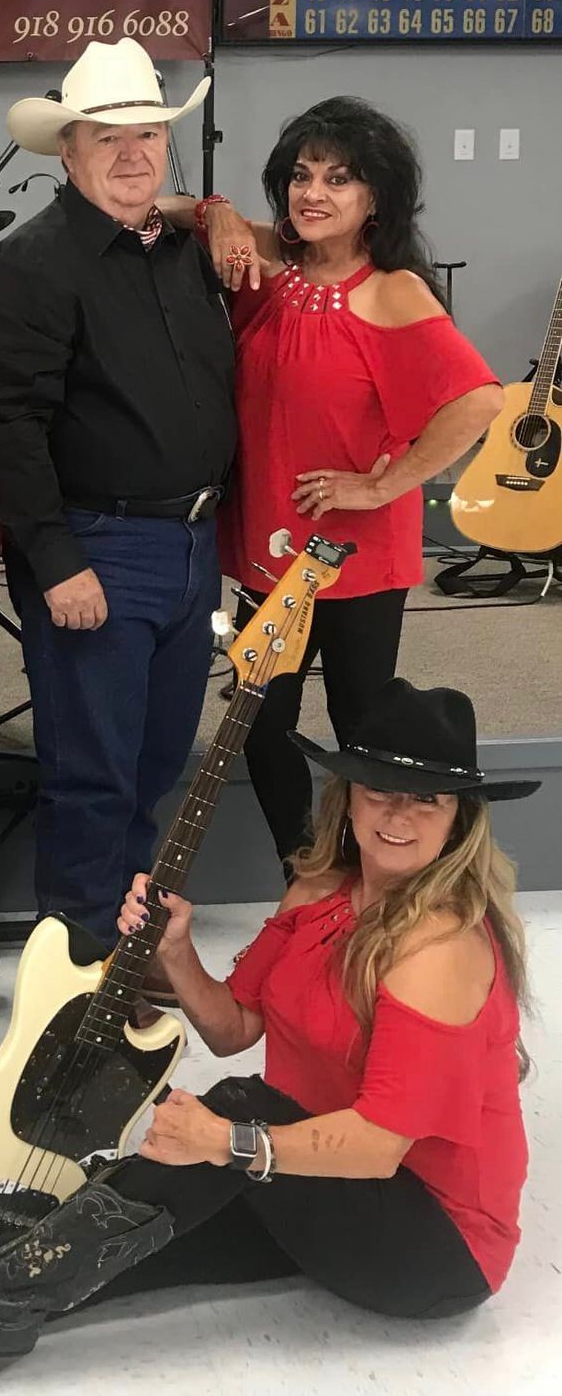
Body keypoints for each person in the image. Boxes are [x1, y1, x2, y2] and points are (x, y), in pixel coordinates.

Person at [0, 678, 536, 1381]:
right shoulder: (319, 892)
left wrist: (227, 1142)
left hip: (428, 1241)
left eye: (426, 800)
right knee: (107, 1235)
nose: (398, 815)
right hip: (309, 1175)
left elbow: (380, 1147)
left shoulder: (439, 947)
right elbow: (234, 1025)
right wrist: (176, 950)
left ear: (460, 819)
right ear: (347, 796)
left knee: (228, 1117)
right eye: (380, 790)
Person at [161, 97, 503, 870]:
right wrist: (218, 212)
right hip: (269, 540)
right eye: (301, 175)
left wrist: (384, 487)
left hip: (356, 552)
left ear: (375, 196)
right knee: (261, 721)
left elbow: (481, 400)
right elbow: (160, 206)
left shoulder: (392, 290)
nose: (312, 193)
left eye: (339, 179)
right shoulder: (270, 260)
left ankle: (369, 877)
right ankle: (302, 873)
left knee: (362, 726)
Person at [0, 37, 234, 943]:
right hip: (98, 547)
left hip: (192, 544)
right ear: (68, 150)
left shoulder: (184, 251)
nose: (133, 153)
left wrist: (216, 214)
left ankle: (124, 943)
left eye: (149, 133)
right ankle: (79, 966)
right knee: (93, 775)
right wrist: (55, 560)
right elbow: (9, 424)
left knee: (157, 763)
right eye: (108, 136)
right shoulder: (31, 263)